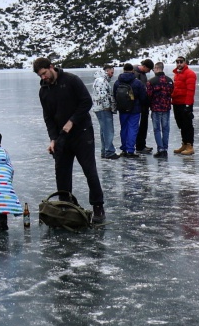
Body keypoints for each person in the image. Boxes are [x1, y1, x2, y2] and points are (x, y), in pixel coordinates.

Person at [34, 57, 105, 224]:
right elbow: (48, 117)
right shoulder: (43, 91)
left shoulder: (71, 80)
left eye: (44, 73)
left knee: (90, 171)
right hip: (61, 137)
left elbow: (86, 102)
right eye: (40, 76)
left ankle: (98, 207)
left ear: (51, 67)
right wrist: (53, 139)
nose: (43, 77)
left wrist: (72, 121)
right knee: (62, 173)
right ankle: (65, 207)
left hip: (82, 133)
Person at [113, 64, 147, 157]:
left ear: (123, 70)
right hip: (135, 109)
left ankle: (124, 148)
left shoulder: (117, 82)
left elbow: (115, 95)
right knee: (133, 129)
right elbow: (143, 97)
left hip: (122, 109)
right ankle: (130, 150)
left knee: (124, 128)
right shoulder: (138, 83)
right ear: (133, 70)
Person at [147, 62, 174, 157]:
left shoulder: (151, 81)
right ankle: (165, 148)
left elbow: (149, 95)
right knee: (166, 128)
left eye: (154, 68)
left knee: (157, 129)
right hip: (166, 108)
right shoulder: (169, 80)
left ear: (157, 68)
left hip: (156, 108)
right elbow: (171, 92)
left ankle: (160, 148)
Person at [92, 64, 119, 159]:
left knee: (104, 130)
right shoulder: (101, 81)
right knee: (108, 130)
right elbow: (102, 96)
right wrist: (108, 106)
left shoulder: (99, 80)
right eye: (112, 72)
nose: (112, 74)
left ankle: (105, 151)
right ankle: (109, 151)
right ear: (107, 71)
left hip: (99, 108)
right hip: (103, 109)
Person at [172, 55, 197, 155]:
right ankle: (184, 144)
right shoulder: (177, 74)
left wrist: (188, 105)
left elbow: (191, 91)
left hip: (185, 104)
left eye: (181, 62)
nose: (179, 64)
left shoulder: (190, 74)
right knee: (181, 125)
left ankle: (190, 145)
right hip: (176, 102)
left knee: (187, 125)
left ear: (185, 62)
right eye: (177, 62)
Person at [134, 58, 155, 154]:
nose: (149, 71)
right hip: (138, 104)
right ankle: (138, 145)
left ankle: (141, 144)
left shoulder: (143, 75)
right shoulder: (135, 74)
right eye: (149, 69)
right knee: (138, 125)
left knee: (143, 125)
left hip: (143, 104)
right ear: (145, 66)